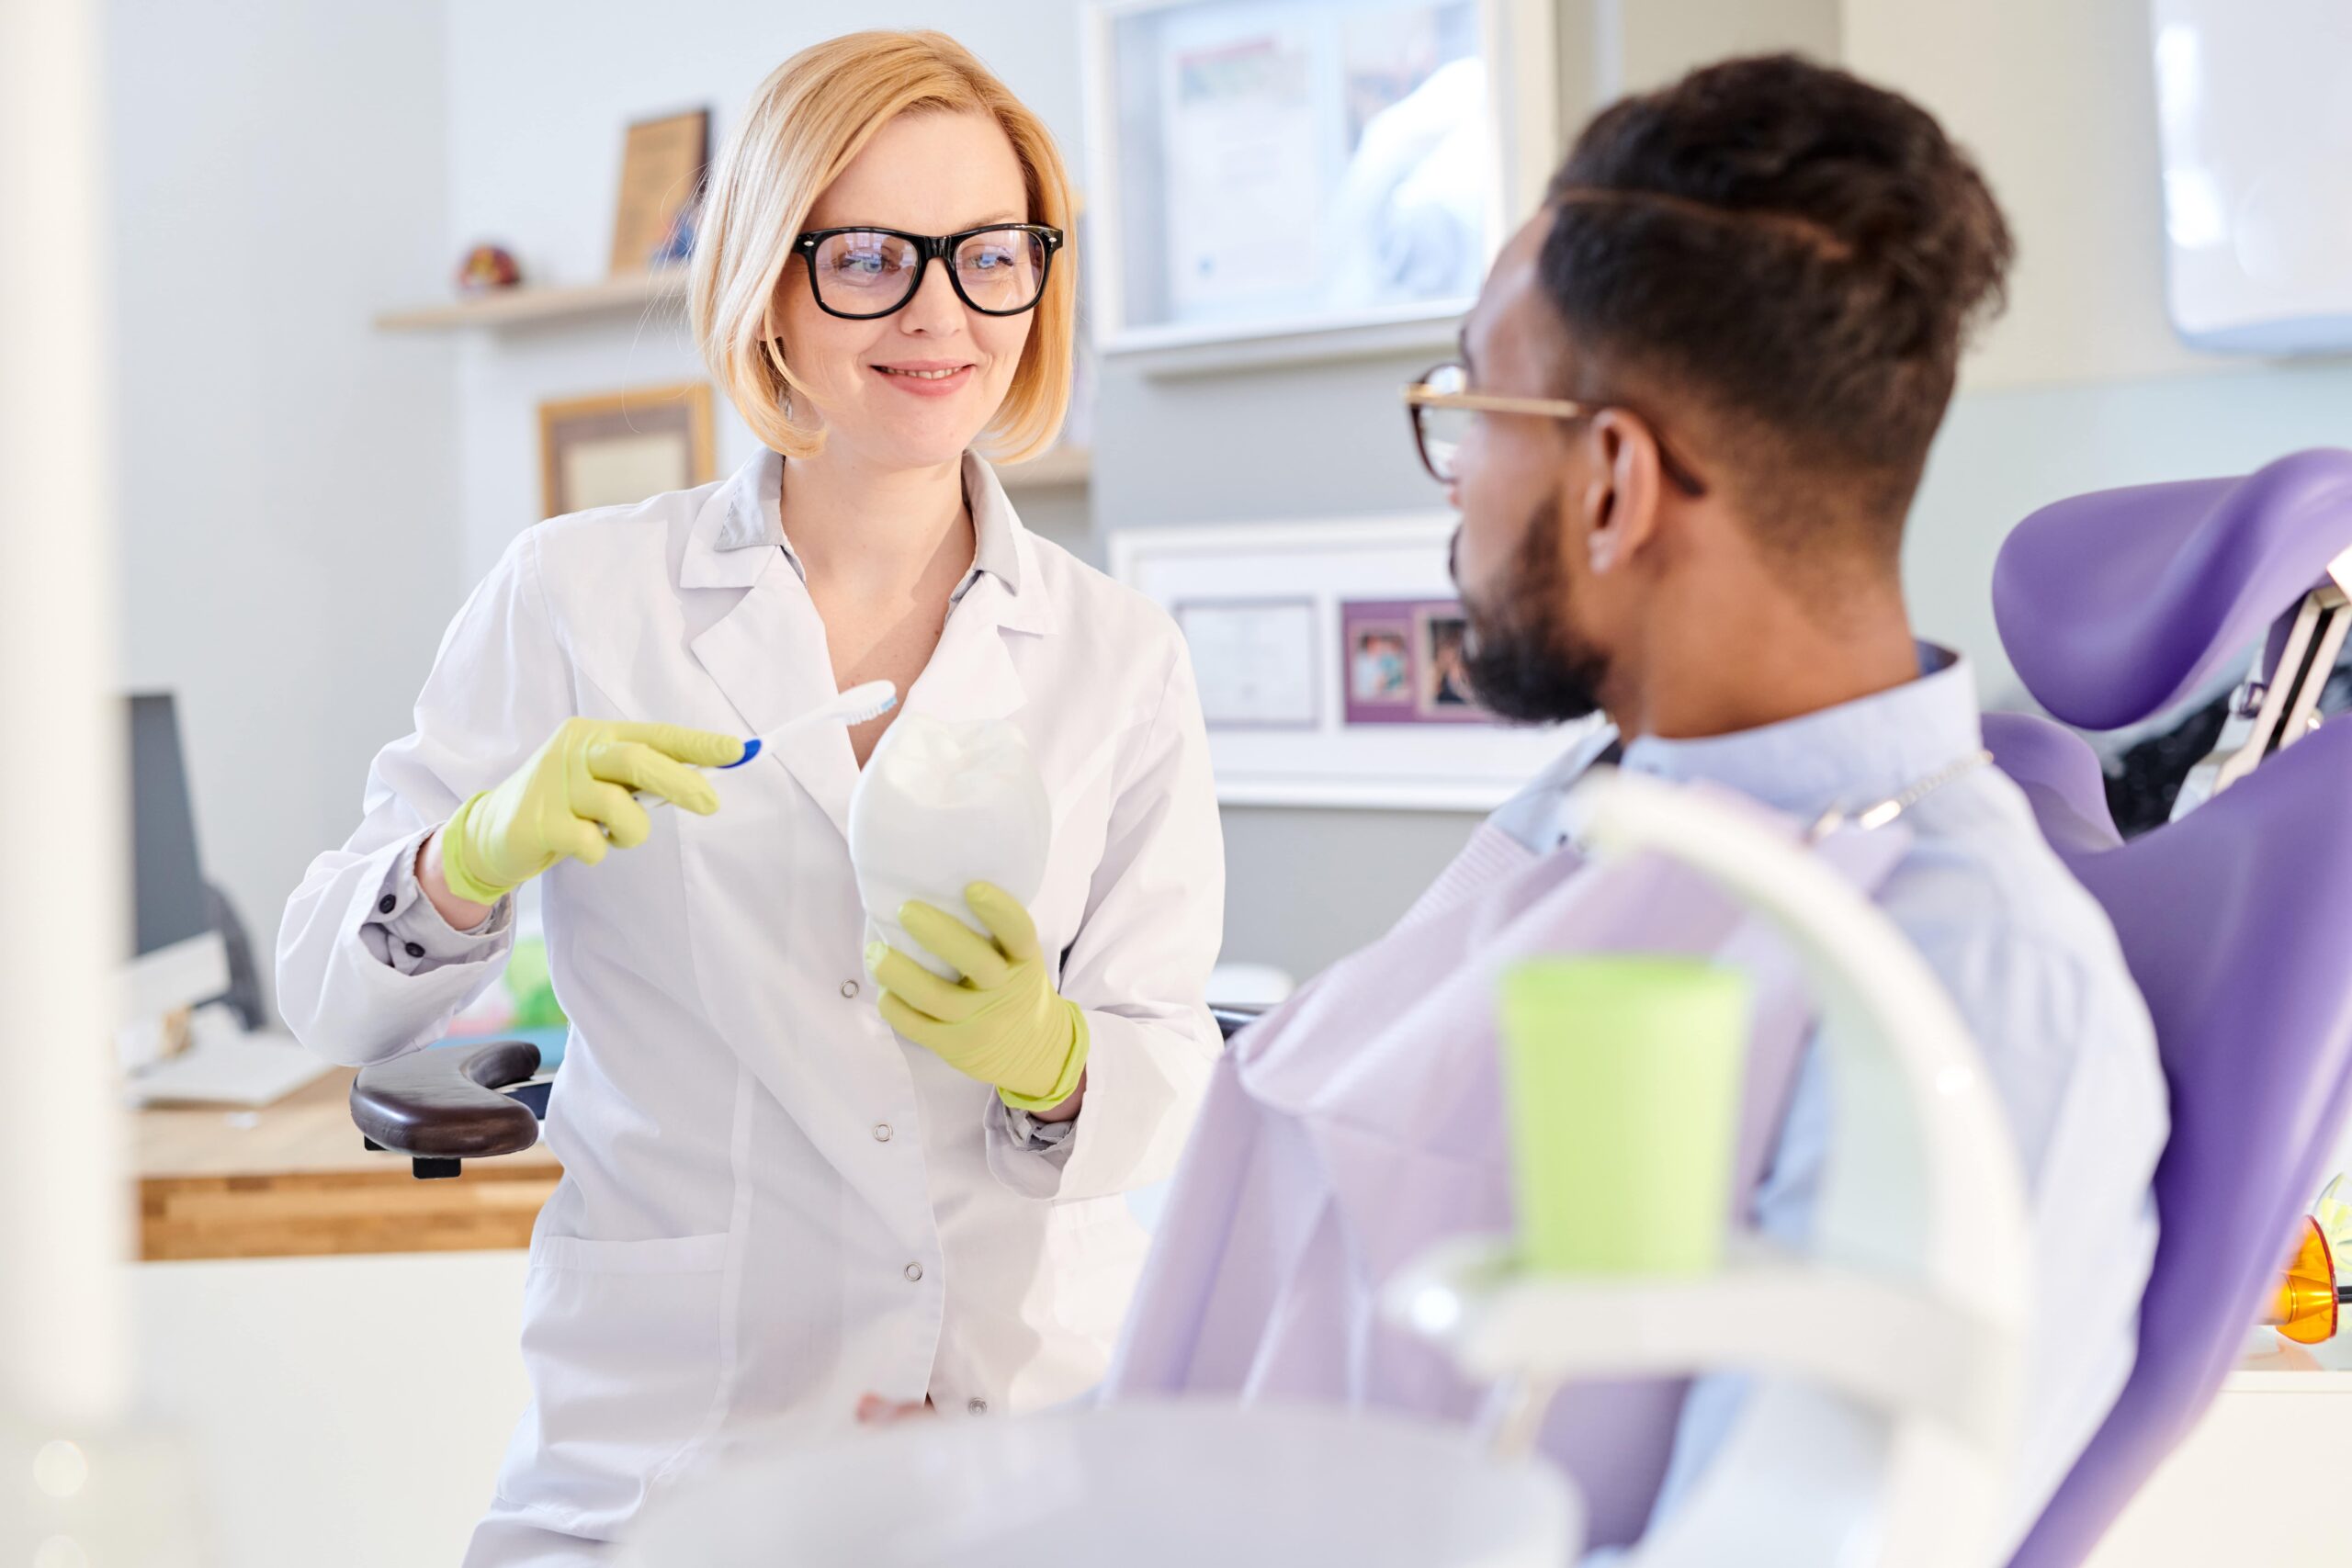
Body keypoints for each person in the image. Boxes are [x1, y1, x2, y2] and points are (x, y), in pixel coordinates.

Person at [1102, 53, 2167, 1562]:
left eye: (1473, 410)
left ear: (1613, 482)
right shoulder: (1600, 810)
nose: (1453, 481)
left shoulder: (1968, 992)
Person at [276, 30, 1224, 1564]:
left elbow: (1164, 1056)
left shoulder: (1117, 655)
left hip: (1025, 1441)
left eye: (992, 256)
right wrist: (470, 852)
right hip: (676, 1450)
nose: (938, 312)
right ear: (771, 285)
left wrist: (1051, 1062)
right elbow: (330, 998)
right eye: (866, 256)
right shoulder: (582, 596)